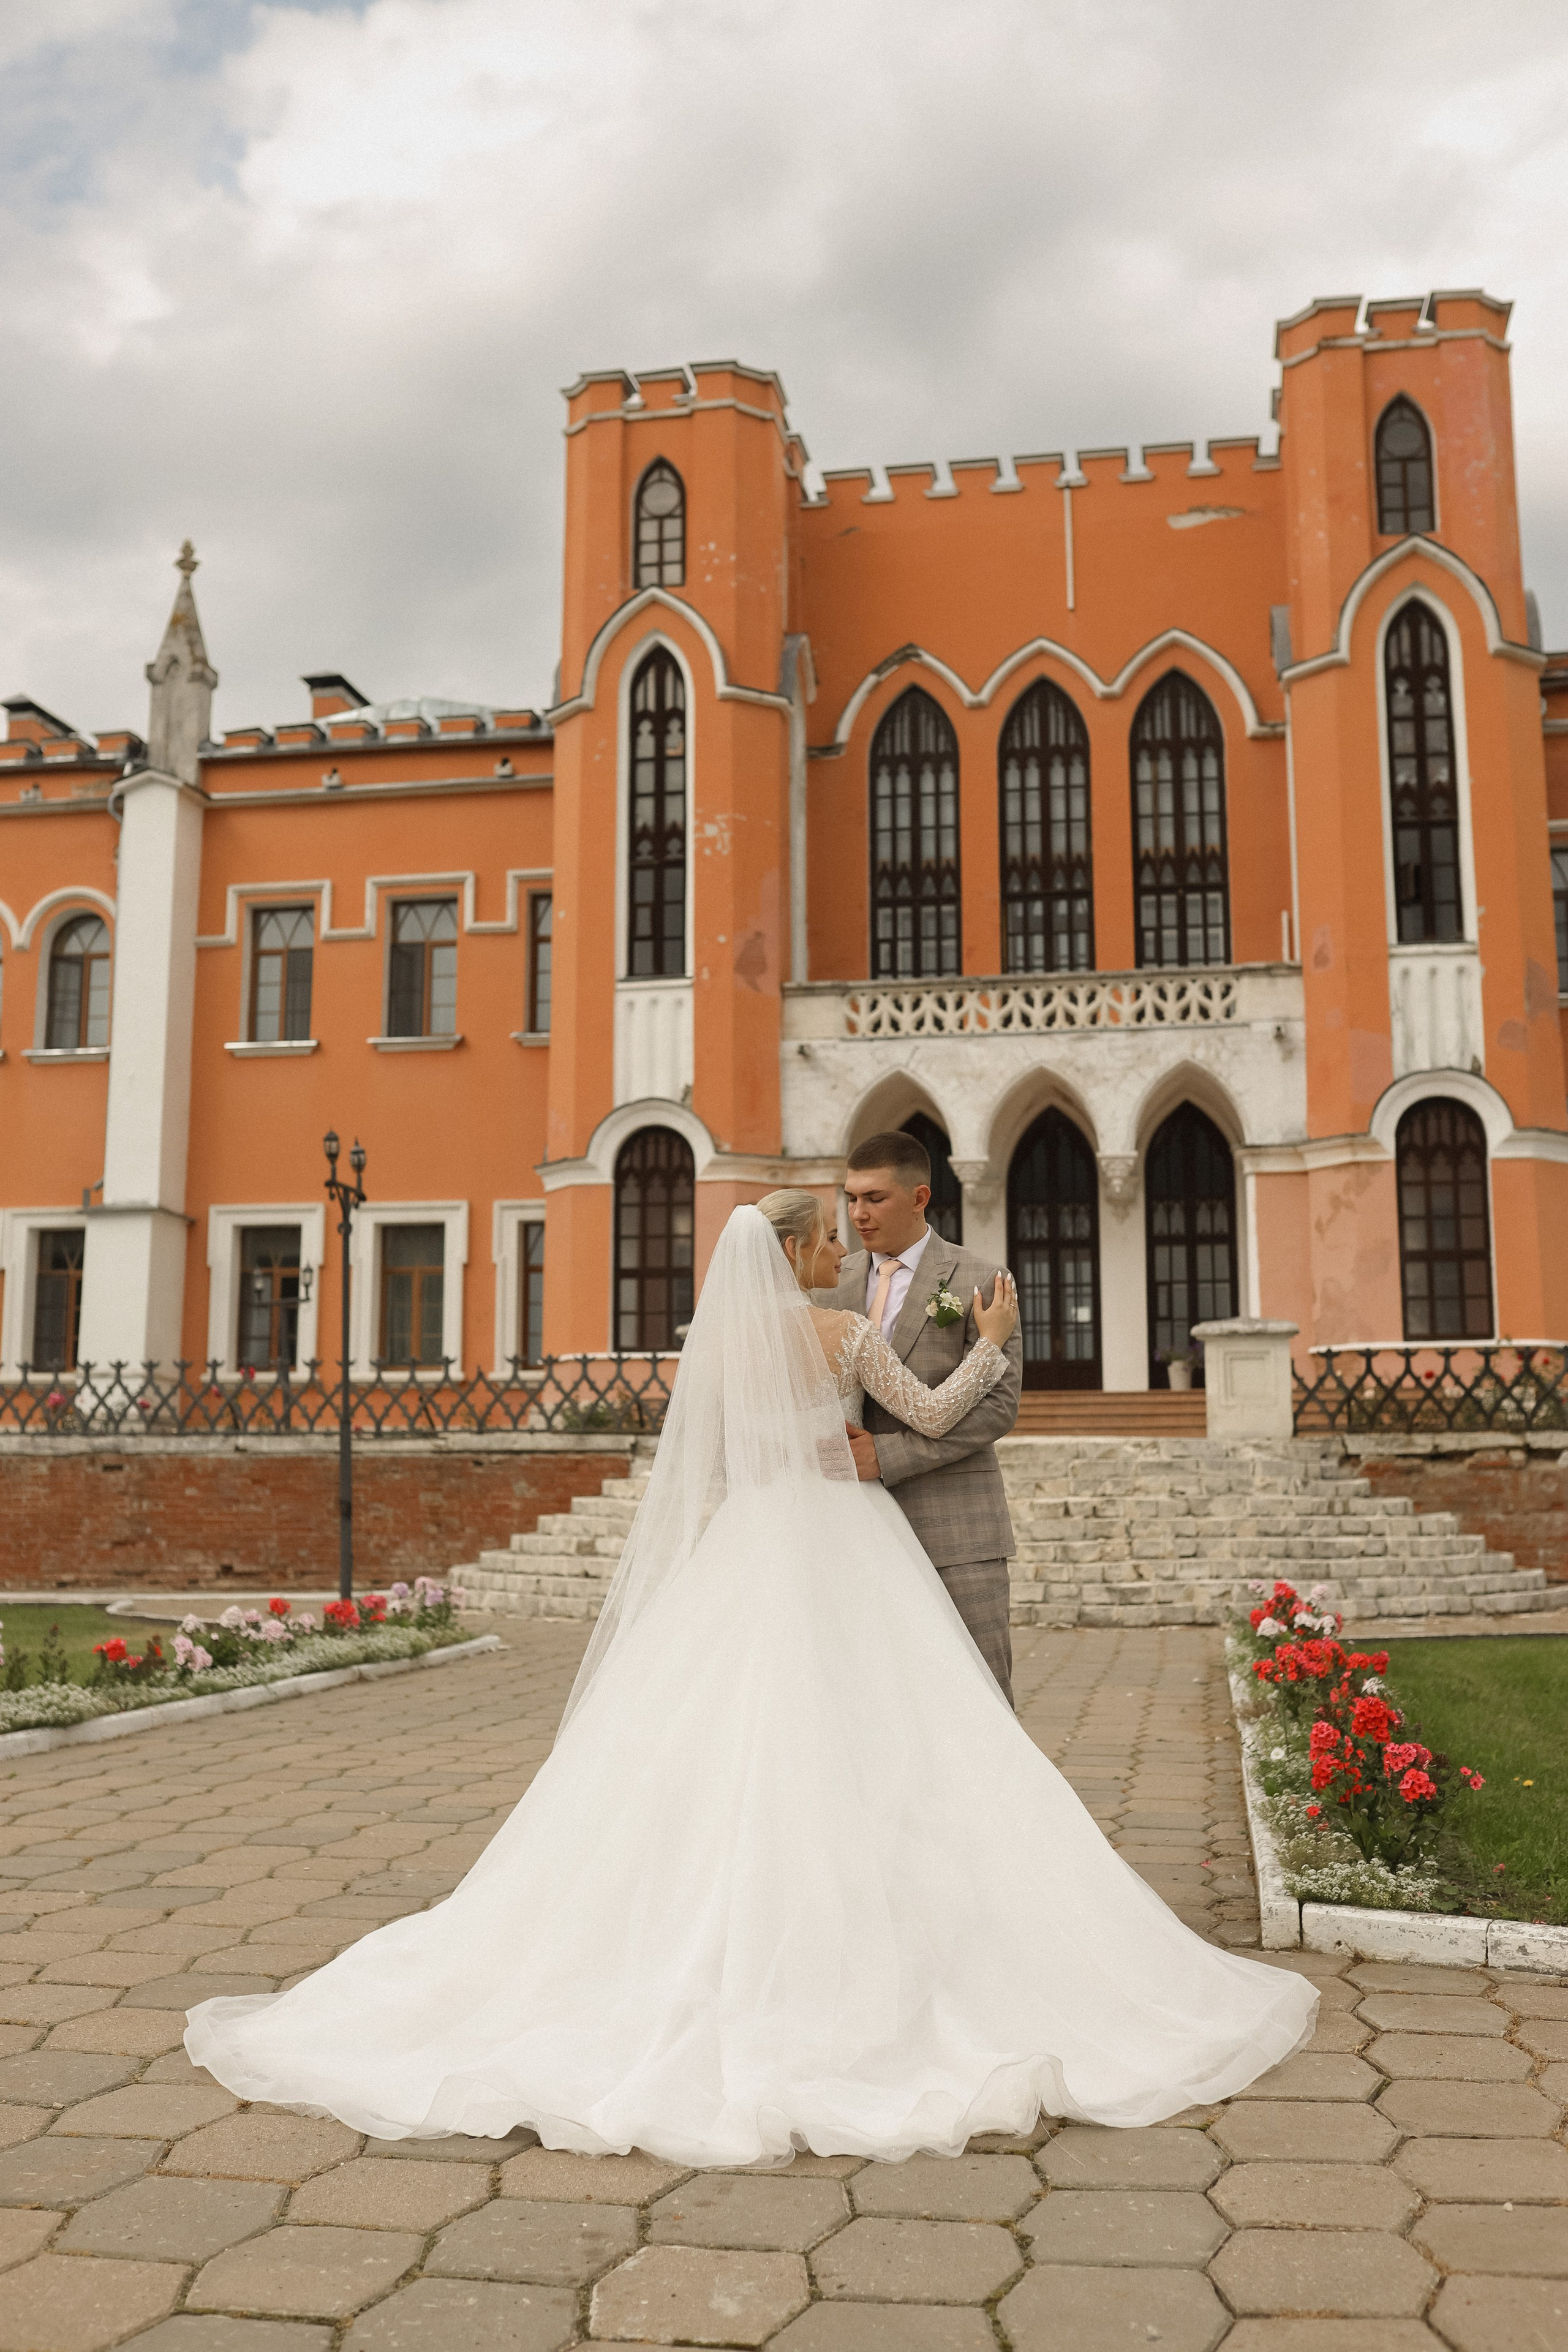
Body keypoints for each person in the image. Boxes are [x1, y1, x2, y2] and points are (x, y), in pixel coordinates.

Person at [187, 1200, 1315, 2166]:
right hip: (841, 1540)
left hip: (748, 1545)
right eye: (824, 1238)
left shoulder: (720, 1351)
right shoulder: (840, 1333)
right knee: (885, 1741)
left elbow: (716, 1467)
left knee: (713, 1755)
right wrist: (991, 1345)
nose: (839, 1249)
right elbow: (932, 1415)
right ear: (792, 1251)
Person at [831, 1129, 1023, 1703]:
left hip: (955, 1525)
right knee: (876, 1699)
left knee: (979, 1696)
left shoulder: (981, 1279)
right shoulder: (831, 1282)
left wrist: (886, 1456)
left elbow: (998, 1407)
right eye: (851, 1198)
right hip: (850, 1528)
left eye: (875, 1198)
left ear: (919, 1198)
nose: (859, 1214)